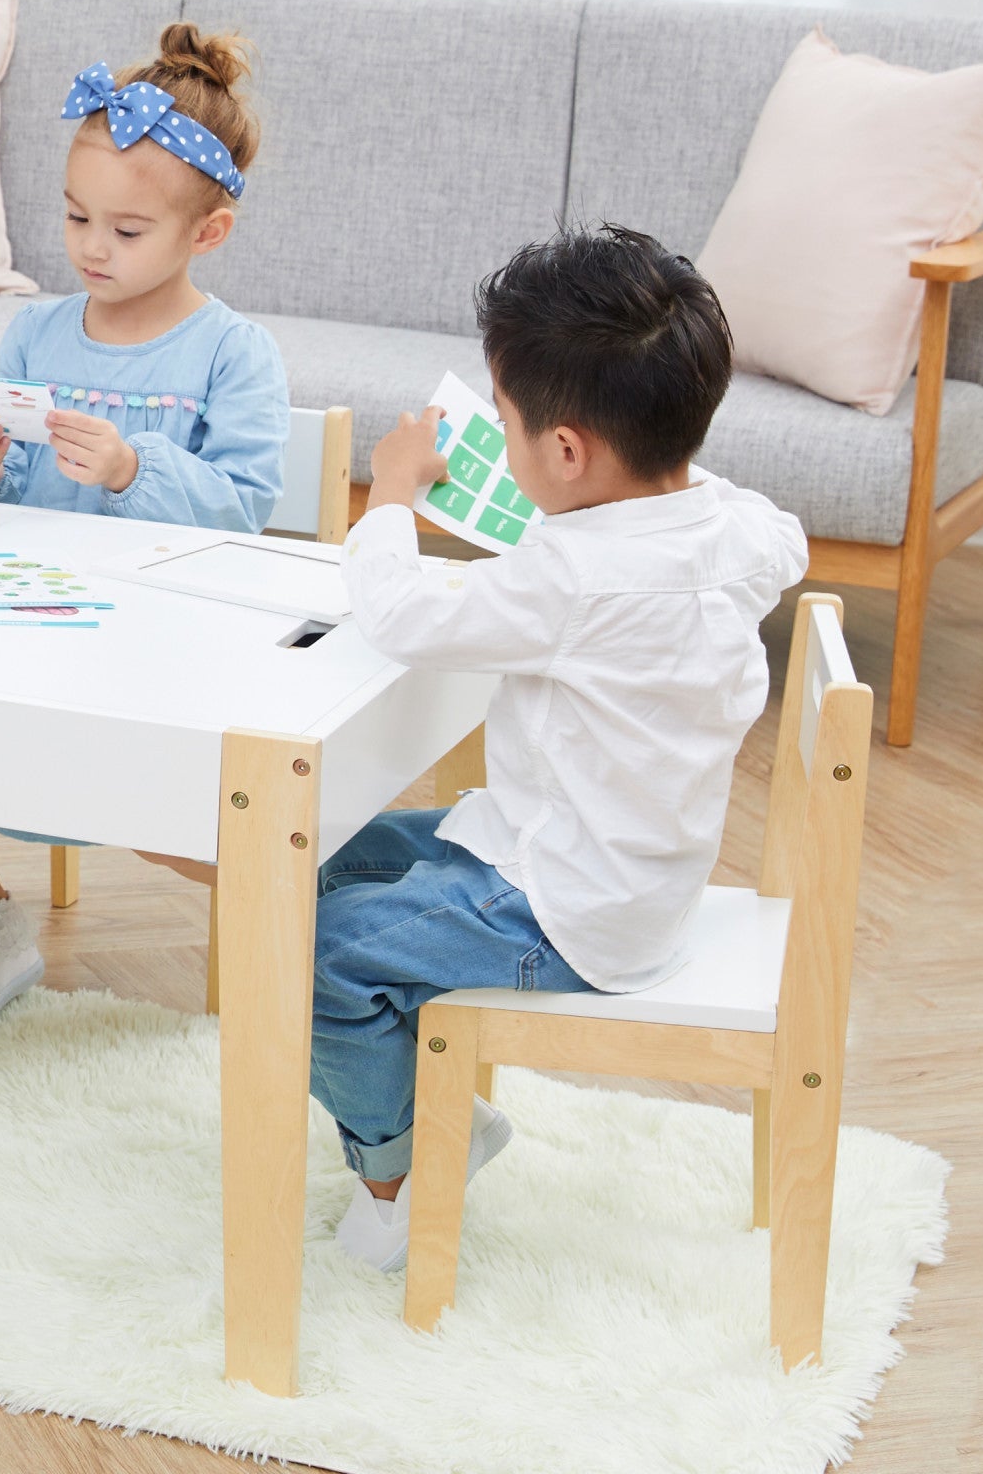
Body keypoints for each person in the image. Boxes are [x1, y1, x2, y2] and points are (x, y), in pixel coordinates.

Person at [315, 225, 807, 1271]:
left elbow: (400, 615)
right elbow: (783, 538)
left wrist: (390, 495)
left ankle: (402, 1168)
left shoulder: (573, 577)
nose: (497, 435)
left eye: (503, 421)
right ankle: (421, 1098)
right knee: (313, 863)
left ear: (568, 449)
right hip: (614, 866)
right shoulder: (733, 528)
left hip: (564, 907)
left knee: (322, 955)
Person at [0, 23, 291, 1035]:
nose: (90, 248)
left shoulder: (232, 354)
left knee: (179, 817)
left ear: (206, 234)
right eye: (74, 218)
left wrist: (129, 466)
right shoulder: (35, 330)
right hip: (25, 621)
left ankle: (304, 942)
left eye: (124, 229)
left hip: (156, 650)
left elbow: (245, 504)